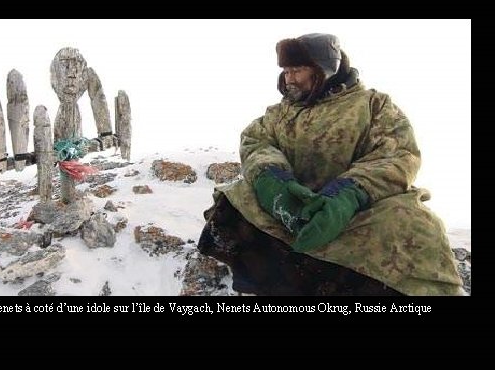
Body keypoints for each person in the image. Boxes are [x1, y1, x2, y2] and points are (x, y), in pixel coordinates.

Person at [198, 33, 464, 296]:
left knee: (417, 227)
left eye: (297, 70)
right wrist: (274, 183)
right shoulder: (279, 113)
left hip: (358, 209)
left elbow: (398, 154)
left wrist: (349, 194)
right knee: (234, 200)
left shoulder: (374, 104)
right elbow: (256, 142)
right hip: (295, 202)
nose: (289, 77)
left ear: (325, 69)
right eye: (286, 70)